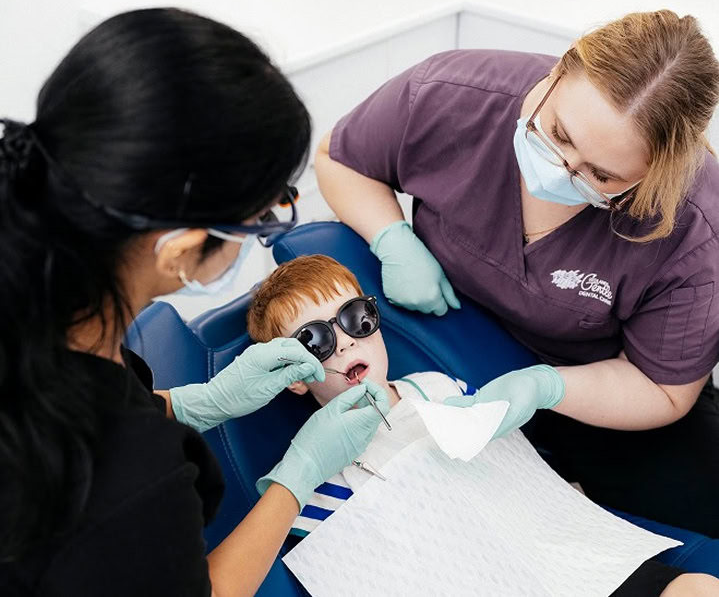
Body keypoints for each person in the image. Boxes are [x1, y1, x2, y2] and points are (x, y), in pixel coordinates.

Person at [0, 8, 389, 596]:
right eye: (262, 217)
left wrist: (194, 405)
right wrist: (296, 478)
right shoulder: (134, 484)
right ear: (180, 251)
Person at [314, 10, 719, 538]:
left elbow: (663, 390)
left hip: (593, 391)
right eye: (557, 134)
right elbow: (340, 157)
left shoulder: (693, 228)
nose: (561, 170)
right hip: (443, 335)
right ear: (556, 74)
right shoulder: (452, 94)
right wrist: (391, 237)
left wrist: (546, 387)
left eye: (601, 176)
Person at [246, 253, 719, 596]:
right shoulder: (315, 472)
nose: (346, 343)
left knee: (699, 588)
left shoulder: (436, 386)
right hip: (473, 579)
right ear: (292, 378)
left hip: (556, 558)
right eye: (314, 341)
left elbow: (512, 466)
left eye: (354, 318)